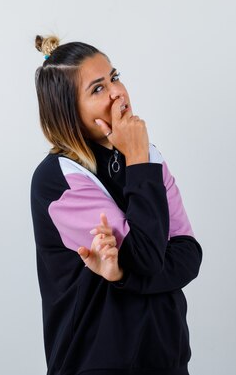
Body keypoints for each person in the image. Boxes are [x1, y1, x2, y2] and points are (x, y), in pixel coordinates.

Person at [30, 34, 203, 375]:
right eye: (97, 88)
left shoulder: (145, 156)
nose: (117, 92)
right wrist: (138, 158)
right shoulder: (59, 179)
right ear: (68, 111)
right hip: (97, 364)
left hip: (166, 360)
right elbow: (149, 257)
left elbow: (188, 254)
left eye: (115, 77)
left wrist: (123, 273)